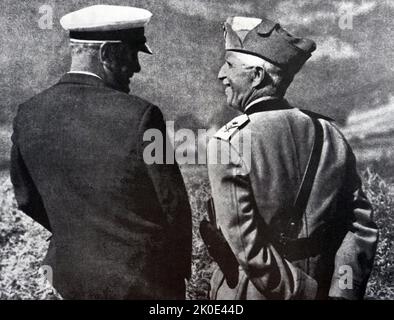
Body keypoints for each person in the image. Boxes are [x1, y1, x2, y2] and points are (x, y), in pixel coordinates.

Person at [10, 5, 192, 299]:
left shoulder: (28, 113)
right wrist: (175, 276)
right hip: (143, 284)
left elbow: (27, 198)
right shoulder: (142, 115)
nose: (137, 67)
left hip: (69, 279)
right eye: (132, 54)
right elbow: (173, 206)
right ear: (107, 54)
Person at [205, 16, 378, 300]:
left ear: (257, 76)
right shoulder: (329, 133)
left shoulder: (229, 143)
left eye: (230, 65)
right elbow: (359, 226)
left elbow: (249, 248)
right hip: (326, 287)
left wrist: (304, 295)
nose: (221, 74)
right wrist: (342, 291)